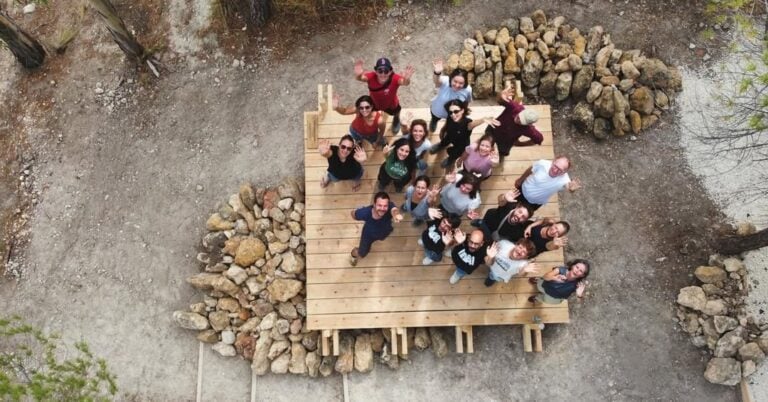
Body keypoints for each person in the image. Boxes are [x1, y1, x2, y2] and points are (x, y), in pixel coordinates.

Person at [429, 99, 498, 169]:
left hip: (461, 144)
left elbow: (473, 124)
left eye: (456, 111)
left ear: (462, 110)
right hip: (450, 136)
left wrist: (483, 119)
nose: (453, 115)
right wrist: (443, 129)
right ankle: (441, 146)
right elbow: (447, 123)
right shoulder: (450, 117)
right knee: (444, 141)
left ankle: (450, 160)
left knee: (455, 153)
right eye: (450, 112)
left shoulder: (467, 123)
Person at [354, 57, 415, 135]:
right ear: (376, 71)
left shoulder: (395, 78)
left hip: (391, 104)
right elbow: (360, 78)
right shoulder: (371, 76)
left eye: (386, 71)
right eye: (380, 71)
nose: (383, 74)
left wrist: (406, 79)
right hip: (374, 103)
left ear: (390, 72)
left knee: (396, 112)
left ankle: (396, 120)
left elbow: (405, 83)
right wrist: (358, 75)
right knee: (368, 114)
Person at [486, 86, 544, 159]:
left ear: (528, 124)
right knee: (484, 145)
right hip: (493, 129)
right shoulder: (515, 107)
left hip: (506, 142)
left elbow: (539, 139)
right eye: (519, 117)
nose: (518, 120)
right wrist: (501, 94)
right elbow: (500, 99)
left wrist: (521, 144)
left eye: (521, 121)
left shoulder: (528, 129)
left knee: (502, 153)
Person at [350, 192, 403, 266]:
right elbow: (353, 214)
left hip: (385, 230)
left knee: (382, 237)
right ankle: (353, 256)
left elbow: (394, 210)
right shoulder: (365, 212)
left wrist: (396, 214)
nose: (382, 208)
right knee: (362, 253)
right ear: (374, 205)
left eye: (385, 206)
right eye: (379, 205)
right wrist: (357, 210)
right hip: (368, 235)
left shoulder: (389, 206)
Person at [514, 156, 582, 210]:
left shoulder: (565, 179)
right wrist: (520, 180)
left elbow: (569, 187)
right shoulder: (542, 163)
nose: (555, 170)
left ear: (564, 172)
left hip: (534, 203)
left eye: (560, 170)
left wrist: (572, 189)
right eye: (555, 166)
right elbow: (531, 169)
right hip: (522, 191)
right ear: (553, 161)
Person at [428, 58, 473, 133]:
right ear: (451, 79)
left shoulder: (468, 90)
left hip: (453, 115)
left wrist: (464, 111)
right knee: (435, 118)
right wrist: (437, 73)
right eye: (455, 81)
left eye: (461, 83)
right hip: (437, 110)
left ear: (465, 83)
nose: (457, 85)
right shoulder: (445, 81)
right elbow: (437, 81)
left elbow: (466, 101)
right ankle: (434, 122)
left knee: (450, 125)